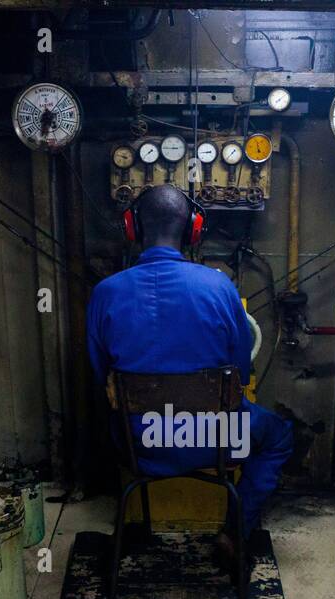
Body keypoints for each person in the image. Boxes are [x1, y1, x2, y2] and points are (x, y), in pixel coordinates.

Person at [86, 184, 293, 559]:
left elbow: (103, 377)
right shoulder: (219, 286)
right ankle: (234, 531)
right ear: (193, 229)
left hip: (138, 447)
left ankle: (140, 522)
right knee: (278, 435)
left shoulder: (105, 293)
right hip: (213, 444)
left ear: (132, 228)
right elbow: (242, 372)